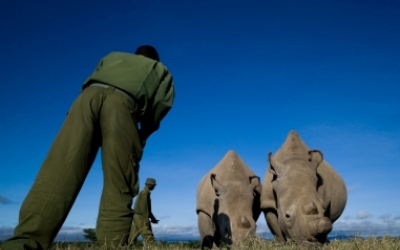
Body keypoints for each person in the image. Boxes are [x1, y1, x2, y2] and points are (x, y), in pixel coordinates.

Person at [2, 45, 175, 250]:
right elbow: (160, 108)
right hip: (124, 105)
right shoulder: (161, 70)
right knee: (120, 181)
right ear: (155, 59)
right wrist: (141, 135)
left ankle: (25, 241)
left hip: (86, 99)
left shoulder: (113, 56)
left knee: (60, 169)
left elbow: (91, 79)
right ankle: (112, 245)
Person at [128, 178, 159, 245]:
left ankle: (128, 247)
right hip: (141, 217)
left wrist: (153, 218)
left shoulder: (145, 193)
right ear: (149, 185)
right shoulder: (144, 193)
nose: (154, 187)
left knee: (133, 235)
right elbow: (144, 208)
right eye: (153, 185)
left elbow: (147, 209)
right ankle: (153, 247)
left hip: (138, 216)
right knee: (148, 235)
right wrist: (146, 220)